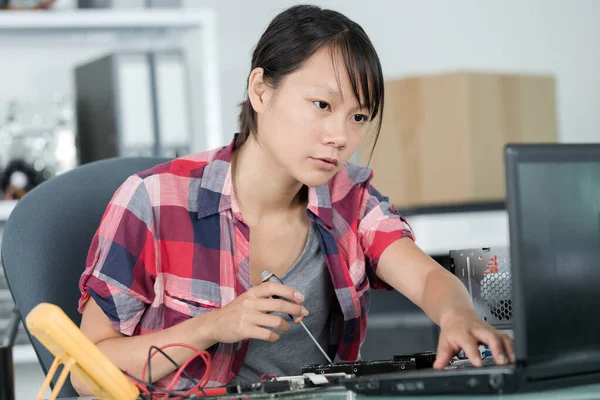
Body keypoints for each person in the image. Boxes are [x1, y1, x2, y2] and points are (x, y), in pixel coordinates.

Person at [72, 4, 514, 395]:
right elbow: (83, 372)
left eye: (358, 117)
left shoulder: (349, 200)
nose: (341, 137)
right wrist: (213, 326)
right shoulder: (152, 201)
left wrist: (457, 313)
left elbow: (426, 280)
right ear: (260, 90)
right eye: (322, 105)